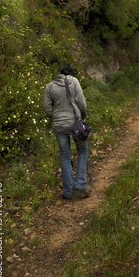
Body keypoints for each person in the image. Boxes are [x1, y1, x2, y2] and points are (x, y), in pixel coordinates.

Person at [44, 63, 91, 200]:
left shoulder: (49, 86)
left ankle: (68, 192)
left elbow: (47, 109)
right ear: (69, 73)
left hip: (59, 125)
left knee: (65, 156)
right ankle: (81, 185)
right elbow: (81, 102)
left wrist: (56, 116)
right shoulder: (74, 81)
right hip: (75, 123)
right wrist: (84, 115)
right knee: (82, 150)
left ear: (59, 73)